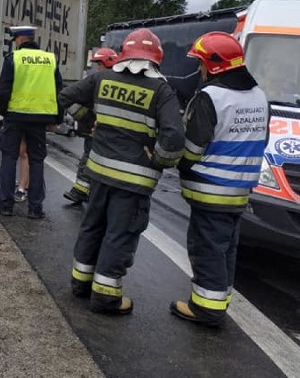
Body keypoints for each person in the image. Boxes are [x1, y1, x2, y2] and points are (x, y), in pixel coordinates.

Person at [59, 28, 184, 315]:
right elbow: (174, 136)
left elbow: (67, 96)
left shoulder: (102, 78)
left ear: (124, 54)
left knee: (92, 226)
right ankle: (105, 298)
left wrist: (90, 120)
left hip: (99, 172)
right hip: (134, 181)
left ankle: (80, 285)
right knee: (119, 234)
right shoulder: (161, 90)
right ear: (156, 59)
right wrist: (160, 161)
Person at [170, 32, 269, 328]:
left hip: (210, 188)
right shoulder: (260, 96)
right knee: (226, 247)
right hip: (240, 191)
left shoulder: (210, 97)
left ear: (214, 65)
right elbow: (262, 140)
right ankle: (219, 299)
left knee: (207, 247)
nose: (199, 69)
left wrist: (181, 166)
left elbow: (194, 146)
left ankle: (206, 309)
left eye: (201, 63)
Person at [0, 26, 62, 219]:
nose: (15, 42)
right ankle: (35, 208)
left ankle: (6, 205)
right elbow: (59, 91)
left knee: (9, 157)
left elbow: (4, 90)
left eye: (15, 39)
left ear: (21, 39)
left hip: (15, 116)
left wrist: (4, 112)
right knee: (37, 160)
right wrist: (57, 119)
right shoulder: (50, 60)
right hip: (40, 118)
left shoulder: (13, 59)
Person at [63, 48, 118, 205]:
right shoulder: (119, 81)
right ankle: (91, 193)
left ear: (106, 63)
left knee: (89, 159)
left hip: (96, 130)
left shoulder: (97, 80)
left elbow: (67, 96)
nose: (97, 67)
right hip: (108, 132)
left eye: (99, 64)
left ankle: (81, 191)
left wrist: (85, 118)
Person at [0, 67, 30, 201]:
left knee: (24, 152)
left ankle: (22, 188)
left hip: (27, 117)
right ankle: (22, 186)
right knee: (21, 152)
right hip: (17, 117)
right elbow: (4, 88)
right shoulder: (19, 77)